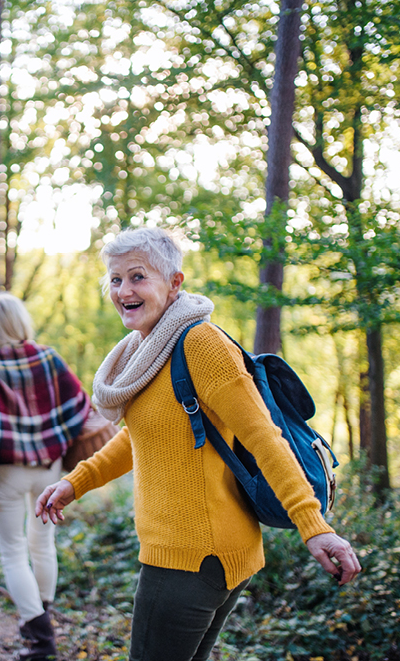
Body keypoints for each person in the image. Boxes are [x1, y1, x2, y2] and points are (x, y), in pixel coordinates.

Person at [35, 227, 362, 661]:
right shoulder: (148, 350)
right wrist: (77, 482)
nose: (123, 290)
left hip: (190, 559)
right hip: (198, 555)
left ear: (174, 283)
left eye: (137, 277)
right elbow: (143, 435)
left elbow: (265, 437)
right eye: (115, 279)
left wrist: (314, 526)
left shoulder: (201, 344)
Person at [0, 292, 91, 661]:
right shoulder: (49, 359)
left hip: (6, 469)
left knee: (13, 552)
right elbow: (80, 406)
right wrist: (55, 438)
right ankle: (41, 617)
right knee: (42, 543)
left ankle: (39, 637)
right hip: (48, 467)